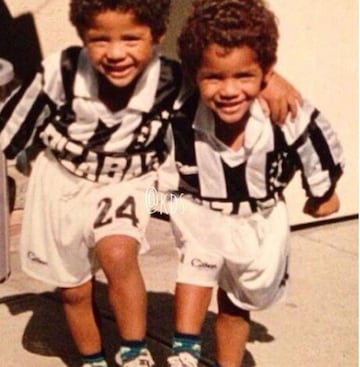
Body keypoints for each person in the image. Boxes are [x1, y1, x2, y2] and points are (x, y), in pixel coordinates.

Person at [0, 0, 301, 366]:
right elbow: (11, 129)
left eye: (131, 38)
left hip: (130, 184)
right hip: (61, 186)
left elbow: (226, 71)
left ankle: (133, 353)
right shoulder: (59, 74)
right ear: (82, 35)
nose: (115, 53)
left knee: (118, 251)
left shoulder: (173, 80)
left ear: (157, 36)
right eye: (99, 39)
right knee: (74, 292)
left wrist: (268, 77)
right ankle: (93, 359)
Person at [158, 0, 345, 366]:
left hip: (258, 220)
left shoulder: (280, 110)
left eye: (243, 76)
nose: (228, 90)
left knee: (237, 302)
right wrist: (149, 199)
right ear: (194, 74)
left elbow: (314, 136)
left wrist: (322, 191)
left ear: (266, 74)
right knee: (198, 262)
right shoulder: (182, 108)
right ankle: (184, 349)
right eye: (214, 77)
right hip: (198, 207)